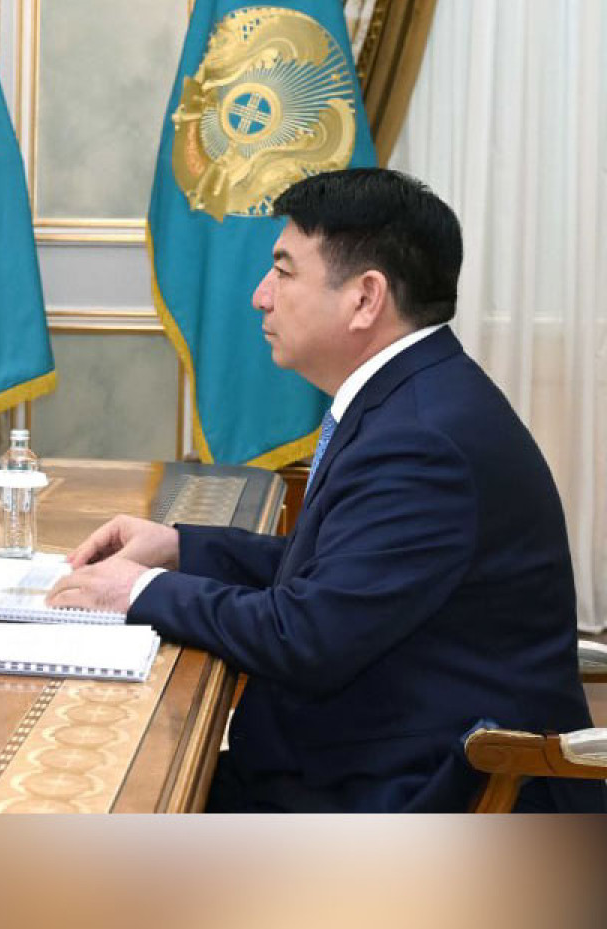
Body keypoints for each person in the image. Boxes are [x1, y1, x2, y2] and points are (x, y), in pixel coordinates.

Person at [46, 167, 602, 813]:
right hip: (369, 759)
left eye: (283, 272)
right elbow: (343, 574)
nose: (260, 296)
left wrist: (138, 591)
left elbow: (306, 637)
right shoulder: (415, 397)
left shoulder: (422, 440)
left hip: (421, 793)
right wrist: (178, 549)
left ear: (365, 298)